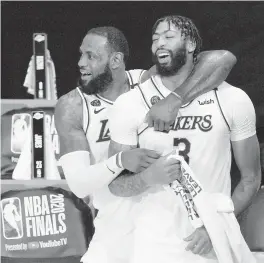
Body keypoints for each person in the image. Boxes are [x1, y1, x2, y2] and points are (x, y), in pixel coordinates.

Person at [55, 25, 237, 263]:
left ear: (116, 60)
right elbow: (78, 185)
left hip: (165, 224)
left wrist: (176, 97)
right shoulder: (72, 106)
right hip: (114, 227)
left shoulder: (146, 82)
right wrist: (119, 161)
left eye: (91, 56)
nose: (80, 62)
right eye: (81, 54)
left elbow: (223, 58)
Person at [108, 15, 261, 263]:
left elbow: (251, 179)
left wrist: (216, 226)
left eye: (169, 37)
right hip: (153, 244)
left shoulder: (232, 99)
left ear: (190, 45)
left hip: (211, 243)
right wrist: (149, 177)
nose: (159, 43)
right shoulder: (130, 103)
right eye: (155, 38)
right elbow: (115, 183)